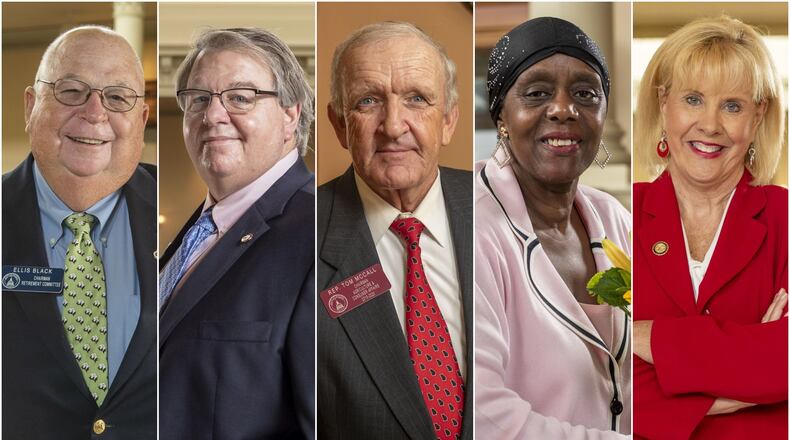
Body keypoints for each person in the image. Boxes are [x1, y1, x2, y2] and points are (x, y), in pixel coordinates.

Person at [475, 17, 632, 439]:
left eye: (585, 94)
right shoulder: (468, 226)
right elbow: (484, 416)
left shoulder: (616, 219)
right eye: (537, 93)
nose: (564, 109)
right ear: (501, 116)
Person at [632, 16, 788, 439]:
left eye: (733, 106)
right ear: (664, 103)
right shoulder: (616, 214)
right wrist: (748, 367)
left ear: (758, 116)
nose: (711, 125)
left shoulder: (784, 219)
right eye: (694, 99)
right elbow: (592, 367)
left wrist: (646, 337)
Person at [318, 21, 472, 440]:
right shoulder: (297, 239)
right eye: (368, 101)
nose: (393, 126)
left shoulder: (502, 209)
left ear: (449, 120)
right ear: (338, 124)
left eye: (417, 99)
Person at [158, 28, 315, 439]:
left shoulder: (323, 234)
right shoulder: (194, 233)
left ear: (290, 115)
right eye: (199, 99)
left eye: (241, 98)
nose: (213, 116)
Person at [2, 26, 155, 438]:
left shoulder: (197, 218)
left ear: (141, 120)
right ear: (31, 105)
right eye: (72, 91)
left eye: (117, 97)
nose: (95, 112)